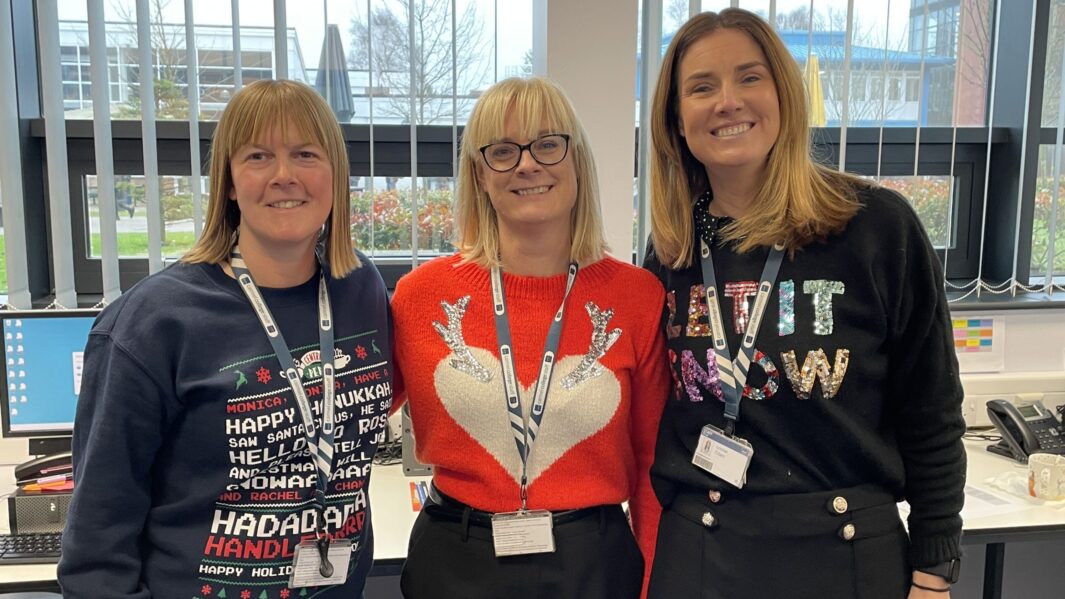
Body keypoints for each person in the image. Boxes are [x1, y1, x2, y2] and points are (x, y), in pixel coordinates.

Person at [642, 9, 965, 599]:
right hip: (701, 551)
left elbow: (933, 411)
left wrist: (934, 569)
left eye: (749, 77)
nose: (727, 101)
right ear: (676, 120)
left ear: (784, 96)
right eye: (701, 87)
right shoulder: (672, 249)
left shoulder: (875, 227)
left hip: (848, 552)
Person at [58, 79, 393, 598]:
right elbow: (98, 537)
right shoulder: (153, 321)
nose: (285, 176)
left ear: (335, 176)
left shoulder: (360, 289)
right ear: (230, 183)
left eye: (306, 154)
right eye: (259, 156)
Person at [390, 76, 670, 599]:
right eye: (502, 150)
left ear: (576, 160)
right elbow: (350, 417)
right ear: (480, 174)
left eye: (547, 144)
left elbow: (653, 461)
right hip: (456, 558)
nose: (526, 164)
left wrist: (651, 578)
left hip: (594, 563)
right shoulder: (419, 297)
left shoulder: (637, 297)